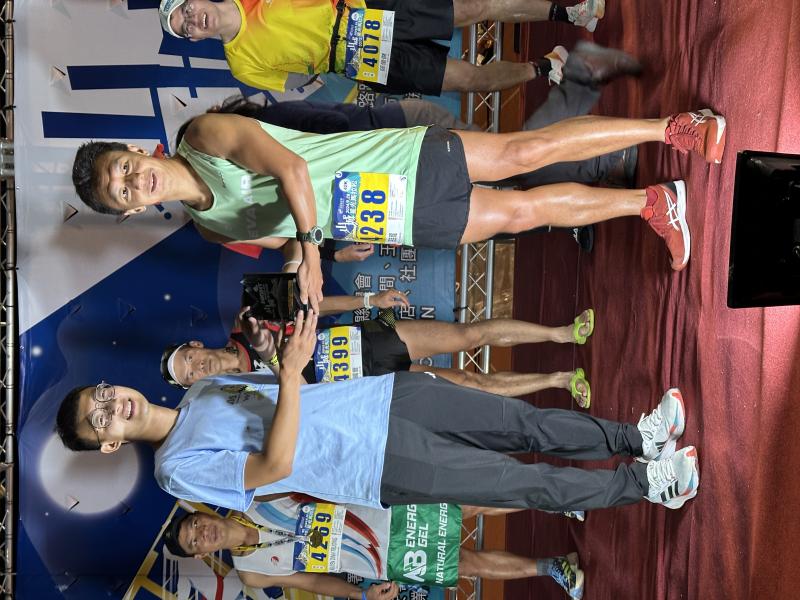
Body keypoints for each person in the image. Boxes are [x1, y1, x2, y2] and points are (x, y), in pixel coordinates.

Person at [55, 308, 700, 517]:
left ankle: (636, 438)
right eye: (101, 418)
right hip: (369, 463)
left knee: (521, 424)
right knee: (519, 480)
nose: (113, 406)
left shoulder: (199, 393)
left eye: (103, 395)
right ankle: (646, 484)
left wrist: (274, 357)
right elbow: (274, 465)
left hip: (381, 398)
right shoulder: (174, 470)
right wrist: (287, 372)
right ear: (110, 444)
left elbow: (286, 393)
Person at [70, 107, 727, 311]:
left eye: (124, 167)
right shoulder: (211, 229)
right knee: (521, 217)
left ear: (136, 151)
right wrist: (313, 261)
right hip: (387, 216)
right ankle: (651, 203)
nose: (134, 182)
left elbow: (291, 169)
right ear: (129, 212)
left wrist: (309, 250)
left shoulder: (204, 135)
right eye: (122, 192)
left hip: (397, 159)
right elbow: (285, 241)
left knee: (523, 152)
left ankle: (671, 129)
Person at [160, 304, 596, 407]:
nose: (198, 368)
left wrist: (367, 299)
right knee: (470, 385)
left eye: (189, 359)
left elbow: (314, 301)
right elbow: (301, 407)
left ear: (195, 345)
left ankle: (562, 334)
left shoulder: (250, 314)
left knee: (468, 336)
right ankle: (560, 381)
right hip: (371, 392)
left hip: (368, 342)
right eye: (190, 376)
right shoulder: (244, 395)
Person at [157, 0, 608, 95]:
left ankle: (570, 12)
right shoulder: (241, 64)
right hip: (362, 58)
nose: (193, 19)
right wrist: (326, 61)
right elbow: (297, 82)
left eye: (186, 10)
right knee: (466, 79)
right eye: (185, 27)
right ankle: (545, 66)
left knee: (473, 7)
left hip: (369, 8)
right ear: (193, 39)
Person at [162, 499, 585, 599]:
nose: (202, 534)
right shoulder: (250, 573)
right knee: (466, 564)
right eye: (194, 541)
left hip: (381, 510)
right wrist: (361, 594)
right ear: (200, 555)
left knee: (467, 506)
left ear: (204, 514)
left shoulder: (255, 498)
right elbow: (313, 582)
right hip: (378, 558)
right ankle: (553, 568)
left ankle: (555, 500)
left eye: (195, 524)